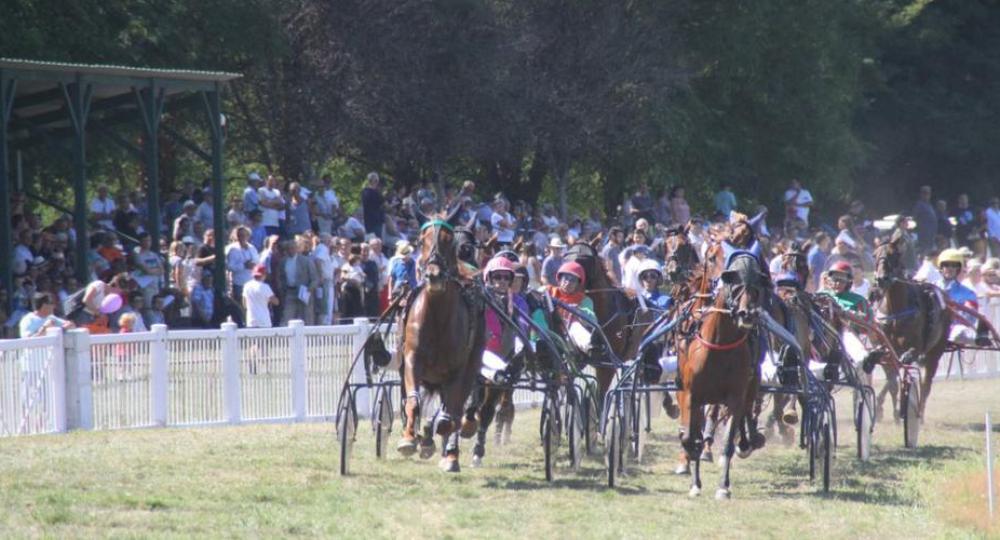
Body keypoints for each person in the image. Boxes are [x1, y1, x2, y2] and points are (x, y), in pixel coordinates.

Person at [934, 248, 988, 346]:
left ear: (958, 269)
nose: (950, 268)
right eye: (946, 265)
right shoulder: (930, 288)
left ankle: (979, 338)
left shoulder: (968, 293)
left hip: (954, 329)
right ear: (941, 267)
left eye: (954, 265)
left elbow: (969, 318)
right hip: (931, 328)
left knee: (959, 332)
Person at [225, 226, 260, 303]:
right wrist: (244, 265)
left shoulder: (252, 248)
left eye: (244, 235)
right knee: (240, 307)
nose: (242, 237)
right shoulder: (232, 249)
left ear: (248, 236)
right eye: (240, 235)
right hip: (239, 283)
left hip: (251, 282)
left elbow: (258, 261)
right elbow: (229, 267)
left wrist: (253, 264)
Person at [361, 172, 386, 239]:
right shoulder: (377, 193)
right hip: (376, 221)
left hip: (368, 221)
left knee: (371, 240)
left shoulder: (364, 192)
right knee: (377, 240)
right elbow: (384, 205)